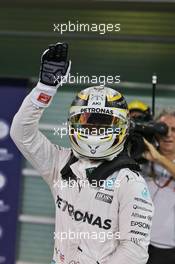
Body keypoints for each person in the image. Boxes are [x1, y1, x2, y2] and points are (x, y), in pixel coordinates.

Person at [10, 43, 154, 264]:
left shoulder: (130, 182)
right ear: (72, 124)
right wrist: (45, 89)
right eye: (87, 122)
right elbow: (21, 133)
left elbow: (134, 252)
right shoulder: (60, 162)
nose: (94, 130)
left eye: (104, 123)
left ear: (123, 127)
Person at [142, 111, 175, 264]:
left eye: (174, 130)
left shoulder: (156, 158)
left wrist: (159, 159)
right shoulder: (141, 157)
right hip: (135, 243)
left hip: (167, 250)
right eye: (163, 128)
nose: (168, 134)